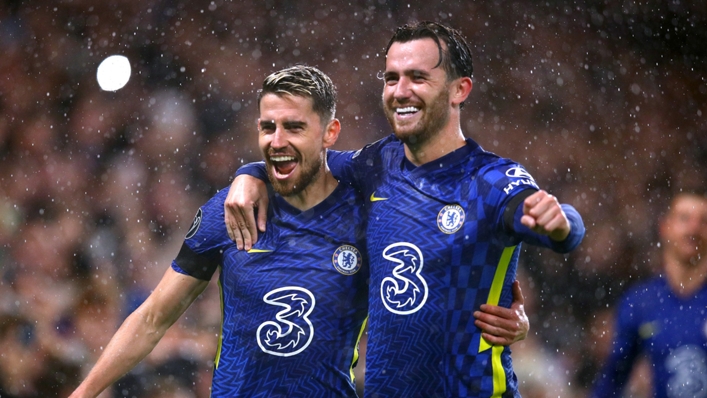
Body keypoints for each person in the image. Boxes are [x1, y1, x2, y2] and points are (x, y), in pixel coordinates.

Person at [225, 21, 585, 397]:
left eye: (417, 77)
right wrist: (249, 174)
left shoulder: (492, 179)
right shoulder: (376, 164)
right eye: (391, 78)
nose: (400, 91)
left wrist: (561, 224)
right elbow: (305, 163)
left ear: (459, 90)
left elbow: (562, 229)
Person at [70, 65, 370, 397]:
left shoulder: (367, 217)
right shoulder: (230, 210)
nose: (277, 141)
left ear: (330, 132)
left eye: (294, 127)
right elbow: (153, 318)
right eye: (268, 127)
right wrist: (84, 393)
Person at [591, 191, 707, 398]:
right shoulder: (642, 302)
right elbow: (613, 378)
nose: (693, 229)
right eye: (684, 218)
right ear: (665, 227)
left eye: (703, 221)